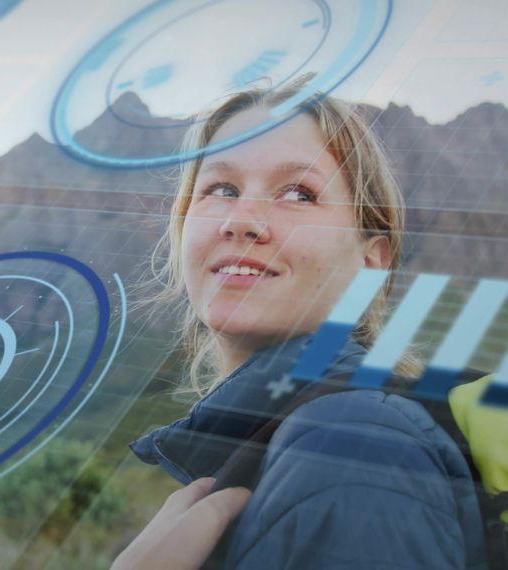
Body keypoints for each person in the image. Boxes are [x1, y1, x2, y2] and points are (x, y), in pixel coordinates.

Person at [117, 80, 486, 569]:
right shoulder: (285, 440)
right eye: (222, 189)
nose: (242, 220)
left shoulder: (350, 443)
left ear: (371, 262)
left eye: (298, 194)